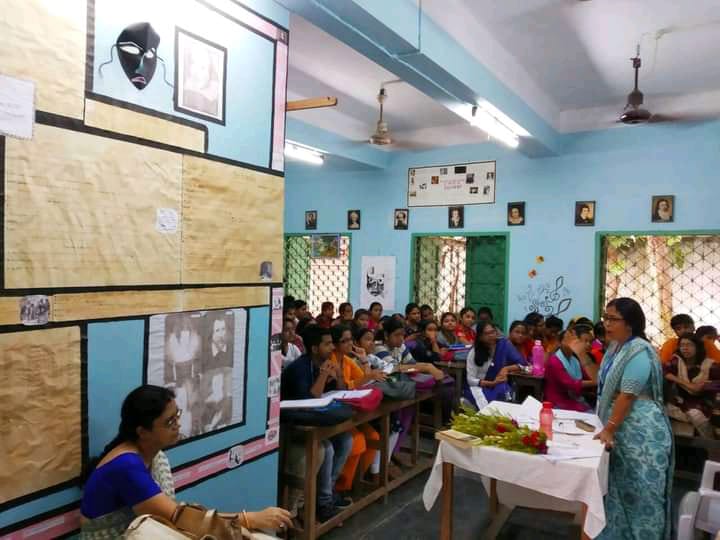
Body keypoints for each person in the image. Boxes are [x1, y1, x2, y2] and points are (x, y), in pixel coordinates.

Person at [80, 385, 291, 538]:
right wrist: (250, 519)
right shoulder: (126, 467)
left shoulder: (154, 456)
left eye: (177, 415)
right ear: (142, 432)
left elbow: (178, 517)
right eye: (169, 422)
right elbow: (179, 518)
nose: (178, 425)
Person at [593, 298, 673, 540]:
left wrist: (609, 428)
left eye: (613, 319)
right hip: (621, 426)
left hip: (641, 432)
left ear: (630, 323)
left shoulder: (639, 350)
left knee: (641, 490)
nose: (606, 324)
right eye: (605, 318)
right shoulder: (615, 348)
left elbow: (627, 394)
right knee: (618, 488)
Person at [281, 326, 353, 521]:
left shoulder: (324, 362)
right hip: (292, 425)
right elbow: (308, 402)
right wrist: (323, 376)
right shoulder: (299, 368)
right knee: (326, 448)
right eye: (327, 344)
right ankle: (322, 503)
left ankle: (326, 494)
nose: (332, 347)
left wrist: (338, 375)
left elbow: (340, 391)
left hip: (315, 421)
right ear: (314, 348)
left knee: (346, 440)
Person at [329, 326, 383, 492]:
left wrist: (364, 360)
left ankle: (352, 482)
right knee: (357, 441)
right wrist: (368, 376)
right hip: (335, 411)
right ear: (334, 344)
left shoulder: (347, 360)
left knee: (374, 437)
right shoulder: (330, 360)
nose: (349, 344)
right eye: (344, 341)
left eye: (350, 340)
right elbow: (343, 386)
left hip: (351, 409)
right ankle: (339, 487)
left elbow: (364, 379)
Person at [664, 333, 716, 438]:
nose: (685, 348)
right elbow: (664, 371)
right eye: (682, 345)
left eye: (689, 345)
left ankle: (711, 441)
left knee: (695, 414)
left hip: (702, 402)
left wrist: (705, 386)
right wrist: (688, 385)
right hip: (680, 402)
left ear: (698, 347)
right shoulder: (677, 361)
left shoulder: (709, 365)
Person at [464, 321, 525, 409]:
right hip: (480, 387)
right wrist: (491, 383)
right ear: (480, 337)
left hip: (498, 384)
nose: (491, 335)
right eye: (487, 333)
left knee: (505, 391)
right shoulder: (474, 352)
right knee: (487, 402)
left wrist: (506, 369)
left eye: (493, 332)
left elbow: (522, 363)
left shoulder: (504, 344)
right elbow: (470, 379)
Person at [543, 326, 599, 412]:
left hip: (574, 398)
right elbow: (571, 384)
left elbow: (588, 376)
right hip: (558, 401)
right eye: (569, 340)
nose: (587, 345)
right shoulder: (554, 361)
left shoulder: (575, 360)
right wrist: (594, 382)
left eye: (590, 342)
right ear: (560, 343)